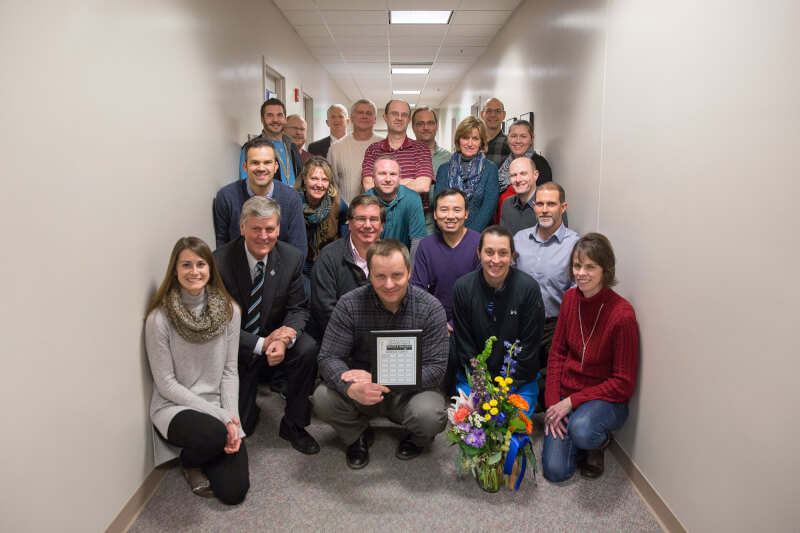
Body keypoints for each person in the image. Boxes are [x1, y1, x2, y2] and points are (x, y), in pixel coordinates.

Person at [312, 239, 448, 469]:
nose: (389, 284)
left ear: (409, 272)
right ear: (370, 275)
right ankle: (357, 434)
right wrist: (350, 387)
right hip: (363, 391)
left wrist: (380, 379)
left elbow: (436, 369)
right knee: (322, 397)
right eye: (380, 276)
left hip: (410, 393)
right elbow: (328, 357)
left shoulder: (431, 308)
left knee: (431, 415)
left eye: (397, 275)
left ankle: (418, 438)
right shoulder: (349, 304)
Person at [145, 237, 249, 505]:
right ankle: (190, 462)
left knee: (234, 492)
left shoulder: (230, 312)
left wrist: (233, 422)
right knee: (214, 433)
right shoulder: (159, 319)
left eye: (201, 264)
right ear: (175, 270)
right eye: (186, 265)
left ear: (210, 269)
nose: (194, 271)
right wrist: (222, 418)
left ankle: (211, 448)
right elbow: (166, 384)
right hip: (174, 407)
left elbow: (229, 372)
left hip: (217, 409)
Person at [214, 197, 320, 455]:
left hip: (276, 339)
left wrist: (282, 340)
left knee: (307, 348)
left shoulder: (291, 258)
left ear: (278, 229)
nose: (263, 236)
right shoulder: (219, 262)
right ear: (242, 227)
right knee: (243, 425)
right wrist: (261, 344)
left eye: (270, 229)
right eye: (256, 229)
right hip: (240, 345)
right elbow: (218, 324)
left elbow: (297, 309)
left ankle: (294, 424)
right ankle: (250, 402)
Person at [542, 233, 639, 482]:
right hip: (568, 393)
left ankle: (595, 442)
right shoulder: (569, 299)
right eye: (577, 265)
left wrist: (572, 402)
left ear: (605, 270)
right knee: (555, 472)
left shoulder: (622, 314)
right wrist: (553, 404)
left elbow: (623, 384)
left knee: (582, 429)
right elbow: (557, 353)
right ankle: (576, 432)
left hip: (605, 400)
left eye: (590, 267)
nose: (581, 273)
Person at [452, 225, 544, 416]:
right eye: (489, 252)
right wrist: (483, 389)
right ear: (479, 253)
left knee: (509, 428)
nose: (495, 260)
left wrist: (503, 393)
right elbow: (465, 347)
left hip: (519, 382)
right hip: (474, 380)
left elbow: (529, 348)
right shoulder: (463, 288)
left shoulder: (528, 289)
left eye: (503, 253)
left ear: (512, 255)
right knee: (471, 427)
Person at [513, 182, 579, 409]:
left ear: (563, 207)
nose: (544, 210)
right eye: (539, 204)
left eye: (551, 204)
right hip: (521, 323)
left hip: (555, 326)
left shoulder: (574, 244)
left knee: (557, 382)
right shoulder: (519, 240)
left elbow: (577, 292)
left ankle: (544, 406)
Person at [410, 188, 481, 394]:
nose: (450, 216)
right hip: (434, 321)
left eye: (457, 210)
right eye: (444, 210)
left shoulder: (479, 243)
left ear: (466, 213)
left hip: (470, 321)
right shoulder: (426, 246)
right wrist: (439, 322)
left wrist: (452, 324)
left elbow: (481, 293)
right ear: (434, 214)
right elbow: (418, 289)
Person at [214, 137, 306, 255]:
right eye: (255, 163)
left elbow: (298, 248)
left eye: (267, 162)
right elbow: (222, 247)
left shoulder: (291, 198)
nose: (261, 168)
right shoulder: (226, 197)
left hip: (281, 265)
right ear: (245, 167)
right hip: (239, 264)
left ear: (276, 167)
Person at [310, 194, 385, 336]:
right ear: (349, 223)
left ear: (382, 225)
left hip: (381, 339)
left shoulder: (392, 257)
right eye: (361, 219)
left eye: (374, 219)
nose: (367, 225)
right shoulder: (328, 256)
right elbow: (324, 309)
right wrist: (355, 338)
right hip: (338, 338)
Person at [362, 99, 434, 216]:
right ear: (385, 117)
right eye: (395, 113)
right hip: (382, 218)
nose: (399, 118)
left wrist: (385, 185)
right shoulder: (373, 150)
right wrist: (409, 182)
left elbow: (423, 185)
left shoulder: (422, 149)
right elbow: (369, 186)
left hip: (414, 217)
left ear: (409, 120)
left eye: (404, 115)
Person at [434, 116, 499, 232]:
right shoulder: (444, 169)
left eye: (475, 138)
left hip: (478, 236)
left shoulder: (490, 169)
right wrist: (450, 235)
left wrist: (467, 237)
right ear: (458, 140)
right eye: (465, 138)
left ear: (481, 142)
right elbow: (439, 205)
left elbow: (488, 210)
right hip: (447, 234)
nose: (470, 143)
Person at [293, 156, 348, 292]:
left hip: (328, 264)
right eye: (314, 178)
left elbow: (344, 234)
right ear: (304, 179)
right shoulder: (293, 203)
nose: (319, 184)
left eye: (325, 180)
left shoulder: (338, 204)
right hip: (300, 266)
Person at [365, 155, 427, 257]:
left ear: (399, 178)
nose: (388, 179)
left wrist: (409, 267)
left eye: (393, 174)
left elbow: (418, 241)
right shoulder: (364, 201)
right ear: (373, 178)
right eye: (382, 174)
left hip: (403, 261)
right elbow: (360, 243)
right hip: (372, 260)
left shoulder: (413, 198)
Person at [495, 120, 554, 223]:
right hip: (502, 220)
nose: (518, 141)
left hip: (526, 221)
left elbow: (544, 200)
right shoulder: (501, 163)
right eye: (513, 136)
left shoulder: (540, 164)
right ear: (508, 138)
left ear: (532, 139)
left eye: (523, 136)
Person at [327, 99, 383, 204]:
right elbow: (332, 186)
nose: (364, 116)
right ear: (351, 117)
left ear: (375, 119)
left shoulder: (385, 145)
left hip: (380, 210)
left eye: (369, 113)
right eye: (360, 112)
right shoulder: (336, 148)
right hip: (346, 212)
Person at [238, 98, 303, 186]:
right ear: (262, 119)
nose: (275, 119)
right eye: (270, 115)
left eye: (279, 115)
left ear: (285, 119)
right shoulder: (251, 148)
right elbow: (246, 184)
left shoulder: (293, 147)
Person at [411, 106, 451, 233]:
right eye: (420, 124)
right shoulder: (404, 156)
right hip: (409, 225)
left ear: (436, 126)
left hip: (440, 228)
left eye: (430, 123)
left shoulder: (449, 158)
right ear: (413, 127)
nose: (426, 127)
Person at [499, 157, 538, 237]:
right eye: (513, 175)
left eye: (523, 174)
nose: (518, 180)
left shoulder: (549, 205)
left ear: (535, 175)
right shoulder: (507, 203)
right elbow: (503, 238)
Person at [480, 98, 510, 167]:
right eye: (489, 111)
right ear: (482, 115)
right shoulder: (473, 142)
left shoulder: (510, 144)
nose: (493, 115)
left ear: (504, 115)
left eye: (497, 111)